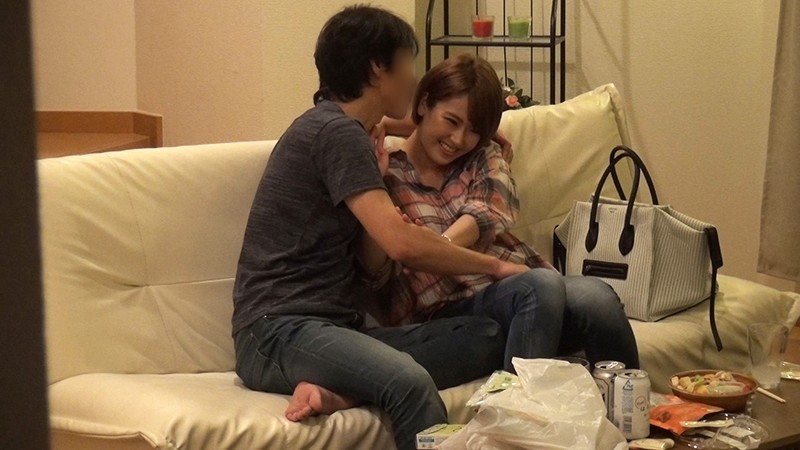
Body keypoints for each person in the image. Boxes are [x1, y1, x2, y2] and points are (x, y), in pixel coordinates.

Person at [231, 6, 529, 450]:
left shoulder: (347, 130)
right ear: (378, 69)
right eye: (408, 63)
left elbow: (378, 248)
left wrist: (483, 133)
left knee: (484, 336)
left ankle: (342, 390)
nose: (414, 78)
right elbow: (402, 244)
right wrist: (495, 267)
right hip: (275, 331)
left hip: (333, 329)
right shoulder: (336, 133)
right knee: (409, 383)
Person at [361, 53, 640, 372]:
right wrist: (387, 133)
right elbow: (376, 271)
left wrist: (433, 248)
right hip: (446, 313)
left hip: (522, 296)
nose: (458, 139)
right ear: (424, 104)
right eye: (451, 121)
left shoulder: (483, 154)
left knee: (598, 298)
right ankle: (516, 403)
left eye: (473, 129)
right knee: (540, 286)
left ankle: (633, 402)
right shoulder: (384, 171)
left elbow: (486, 214)